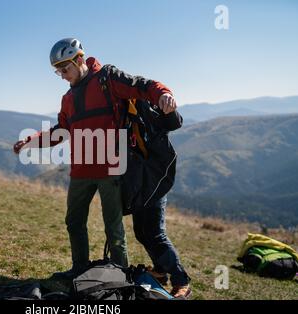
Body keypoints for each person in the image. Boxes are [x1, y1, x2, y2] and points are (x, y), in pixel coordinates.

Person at [13, 39, 190, 298]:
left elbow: (143, 86)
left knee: (113, 226)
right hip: (81, 170)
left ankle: (120, 273)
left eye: (65, 69)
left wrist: (164, 93)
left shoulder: (108, 79)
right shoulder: (68, 98)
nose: (62, 76)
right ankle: (79, 268)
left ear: (79, 60)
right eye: (58, 71)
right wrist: (31, 141)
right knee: (74, 222)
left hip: (111, 169)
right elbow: (61, 132)